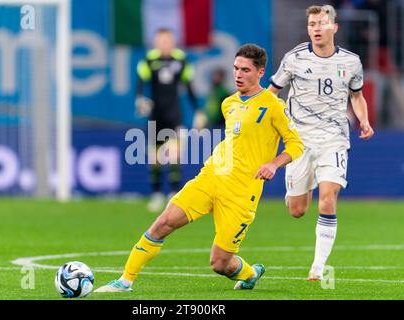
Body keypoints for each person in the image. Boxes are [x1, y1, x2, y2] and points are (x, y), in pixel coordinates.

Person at [95, 44, 304, 293]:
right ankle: (125, 281)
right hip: (211, 177)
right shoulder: (229, 103)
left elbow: (297, 145)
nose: (238, 74)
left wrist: (273, 163)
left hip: (241, 193)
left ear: (260, 73)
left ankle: (250, 273)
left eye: (245, 70)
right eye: (235, 68)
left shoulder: (273, 105)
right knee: (163, 222)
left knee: (219, 263)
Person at [268, 4, 374, 280]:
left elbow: (356, 96)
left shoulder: (351, 62)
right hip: (299, 142)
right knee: (297, 210)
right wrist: (268, 121)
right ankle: (300, 187)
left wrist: (363, 119)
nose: (316, 28)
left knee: (328, 199)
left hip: (334, 139)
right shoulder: (294, 58)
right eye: (312, 24)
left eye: (321, 23)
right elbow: (272, 92)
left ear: (334, 28)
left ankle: (317, 267)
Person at [135, 28, 206, 212]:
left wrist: (198, 110)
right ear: (156, 43)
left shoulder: (181, 60)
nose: (164, 43)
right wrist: (140, 99)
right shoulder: (149, 60)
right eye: (161, 40)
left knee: (175, 154)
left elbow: (189, 86)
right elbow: (141, 83)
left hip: (175, 114)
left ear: (173, 42)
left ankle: (174, 194)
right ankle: (157, 194)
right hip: (156, 115)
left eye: (167, 40)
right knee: (155, 158)